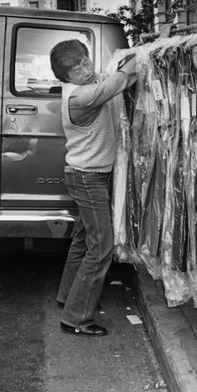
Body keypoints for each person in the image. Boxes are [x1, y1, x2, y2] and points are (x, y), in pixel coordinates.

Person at [50, 39, 137, 337]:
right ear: (65, 78)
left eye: (86, 63)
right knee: (101, 248)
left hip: (86, 175)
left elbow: (106, 77)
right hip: (87, 178)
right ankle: (76, 318)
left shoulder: (90, 82)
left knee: (82, 240)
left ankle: (67, 298)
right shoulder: (80, 98)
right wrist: (144, 58)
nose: (86, 71)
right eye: (77, 70)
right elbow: (121, 80)